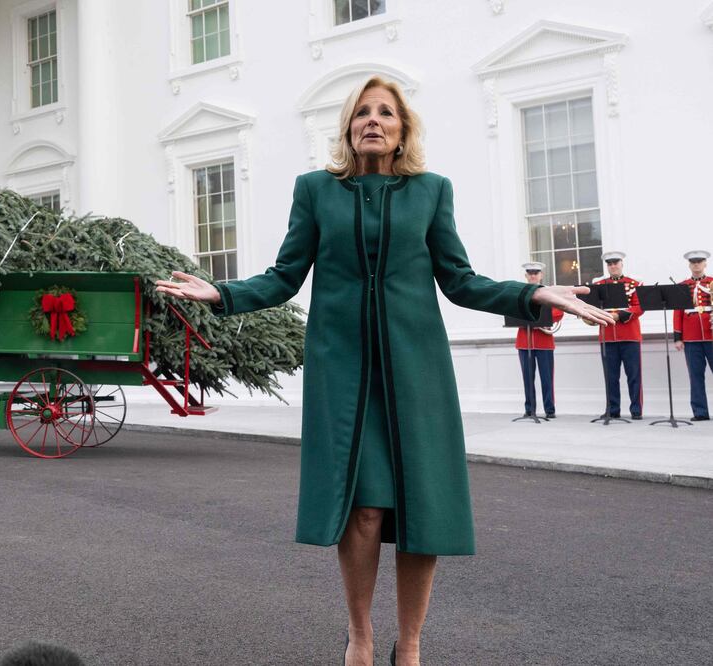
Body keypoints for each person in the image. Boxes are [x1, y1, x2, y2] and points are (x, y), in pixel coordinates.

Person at [154, 75, 613, 666]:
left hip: (415, 368)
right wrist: (222, 292)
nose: (373, 120)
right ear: (348, 128)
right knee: (365, 509)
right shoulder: (316, 190)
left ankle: (412, 644)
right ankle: (361, 636)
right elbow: (284, 275)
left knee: (422, 505)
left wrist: (534, 296)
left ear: (402, 131)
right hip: (342, 370)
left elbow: (461, 280)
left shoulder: (431, 191)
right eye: (362, 113)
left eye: (386, 113)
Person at [592, 252, 643, 419]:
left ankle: (636, 410)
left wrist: (618, 315)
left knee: (634, 376)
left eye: (616, 263)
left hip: (630, 336)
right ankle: (613, 410)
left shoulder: (634, 284)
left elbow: (639, 307)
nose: (613, 266)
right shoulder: (599, 285)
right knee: (610, 377)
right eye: (610, 263)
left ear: (622, 263)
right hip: (607, 336)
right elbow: (592, 306)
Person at [515, 262, 564, 418]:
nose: (533, 275)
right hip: (525, 341)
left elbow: (559, 311)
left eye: (536, 273)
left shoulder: (549, 292)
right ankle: (530, 410)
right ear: (526, 276)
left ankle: (550, 410)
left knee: (547, 378)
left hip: (544, 341)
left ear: (541, 275)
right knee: (528, 379)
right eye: (530, 273)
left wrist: (540, 320)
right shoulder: (519, 292)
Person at [673, 250, 713, 421]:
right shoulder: (683, 285)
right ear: (689, 265)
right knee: (695, 376)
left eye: (700, 261)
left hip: (711, 336)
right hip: (691, 338)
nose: (696, 264)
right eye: (693, 262)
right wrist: (678, 337)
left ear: (705, 263)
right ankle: (700, 412)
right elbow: (678, 313)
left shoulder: (712, 283)